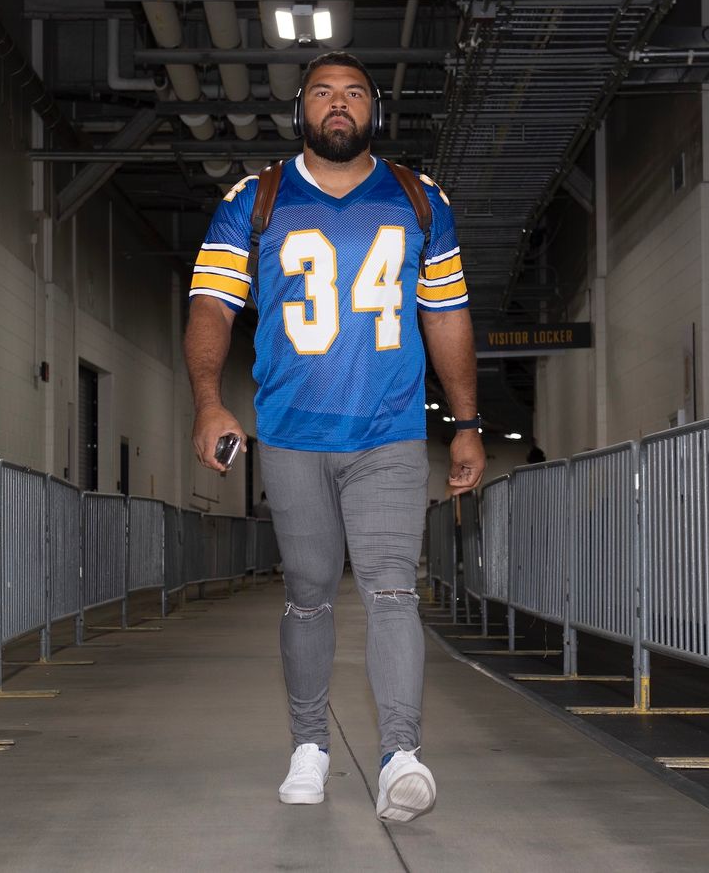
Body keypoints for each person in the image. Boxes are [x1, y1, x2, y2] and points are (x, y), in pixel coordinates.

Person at [183, 51, 484, 823]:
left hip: (386, 431)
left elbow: (444, 314)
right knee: (310, 593)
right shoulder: (256, 201)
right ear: (301, 112)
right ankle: (309, 746)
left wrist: (467, 423)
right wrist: (209, 403)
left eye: (354, 93)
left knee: (391, 585)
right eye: (323, 94)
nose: (339, 105)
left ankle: (400, 756)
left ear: (375, 110)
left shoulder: (419, 199)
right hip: (291, 433)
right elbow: (213, 305)